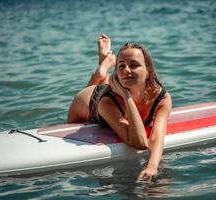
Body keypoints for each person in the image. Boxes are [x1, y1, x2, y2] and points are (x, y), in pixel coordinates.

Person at [68, 34, 172, 182]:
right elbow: (140, 143)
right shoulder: (107, 102)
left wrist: (152, 166)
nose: (126, 70)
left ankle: (103, 67)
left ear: (148, 70)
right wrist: (126, 96)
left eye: (134, 65)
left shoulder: (162, 98)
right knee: (94, 91)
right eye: (121, 65)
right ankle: (102, 70)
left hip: (112, 89)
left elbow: (157, 137)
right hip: (87, 102)